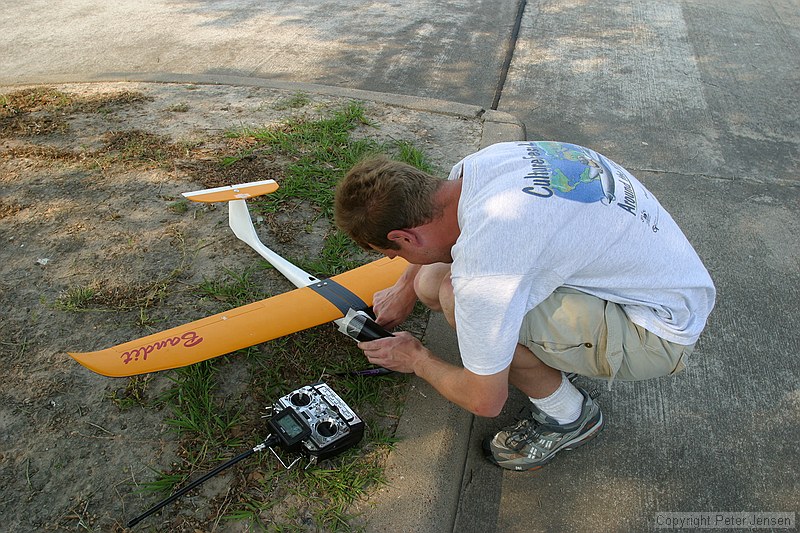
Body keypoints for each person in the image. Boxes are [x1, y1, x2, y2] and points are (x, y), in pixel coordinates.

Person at [334, 141, 715, 471]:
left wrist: (415, 358)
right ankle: (555, 359)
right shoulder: (478, 167)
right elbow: (434, 259)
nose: (396, 262)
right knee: (430, 282)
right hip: (661, 285)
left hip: (658, 334)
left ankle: (569, 417)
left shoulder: (489, 260)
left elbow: (484, 400)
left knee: (454, 296)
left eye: (392, 254)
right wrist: (407, 285)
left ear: (404, 236)